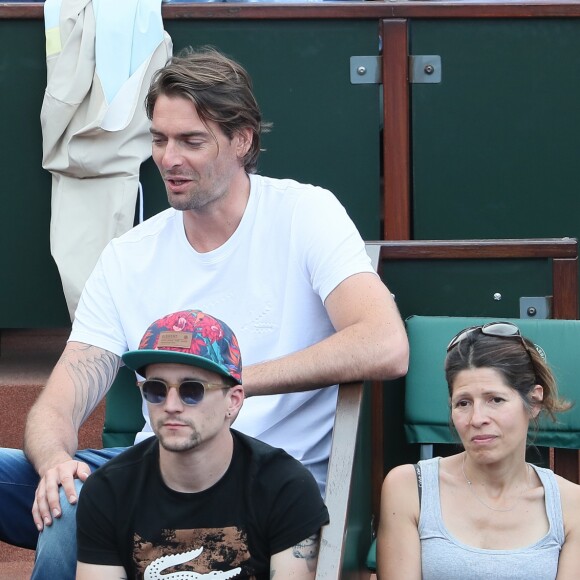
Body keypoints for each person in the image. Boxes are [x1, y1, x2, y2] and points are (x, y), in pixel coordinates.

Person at [0, 46, 409, 579]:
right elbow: (64, 395)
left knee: (73, 512)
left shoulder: (303, 214)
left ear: (242, 140)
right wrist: (56, 462)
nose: (169, 158)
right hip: (152, 471)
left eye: (192, 141)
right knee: (67, 493)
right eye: (159, 138)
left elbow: (385, 343)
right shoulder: (130, 255)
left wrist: (223, 385)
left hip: (261, 484)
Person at [76, 308, 329, 578]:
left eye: (191, 390)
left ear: (233, 401)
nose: (171, 405)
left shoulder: (284, 486)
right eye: (156, 389)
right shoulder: (108, 491)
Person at [377, 321, 580, 580]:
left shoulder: (571, 505)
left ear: (534, 401)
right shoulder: (409, 487)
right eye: (463, 403)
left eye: (495, 400)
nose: (477, 418)